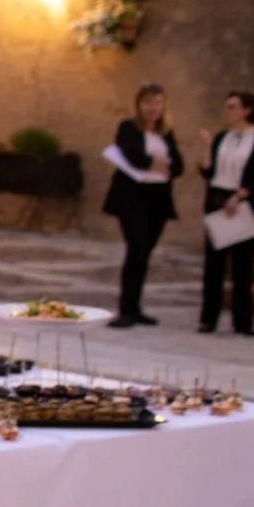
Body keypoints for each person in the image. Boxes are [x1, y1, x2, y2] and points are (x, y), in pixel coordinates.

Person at [102, 83, 184, 329]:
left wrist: (164, 164)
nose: (153, 108)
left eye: (158, 102)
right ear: (139, 104)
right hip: (132, 197)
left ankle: (136, 308)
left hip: (157, 197)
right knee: (136, 249)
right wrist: (155, 162)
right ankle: (125, 309)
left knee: (145, 253)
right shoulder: (129, 127)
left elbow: (178, 165)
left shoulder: (166, 133)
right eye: (148, 102)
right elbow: (132, 155)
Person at [197, 90, 254, 337]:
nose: (227, 111)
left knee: (242, 267)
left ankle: (243, 322)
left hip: (244, 203)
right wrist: (207, 146)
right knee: (213, 266)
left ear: (246, 110)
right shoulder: (222, 137)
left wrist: (239, 196)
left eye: (232, 106)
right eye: (227, 106)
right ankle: (208, 319)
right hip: (218, 200)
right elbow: (208, 172)